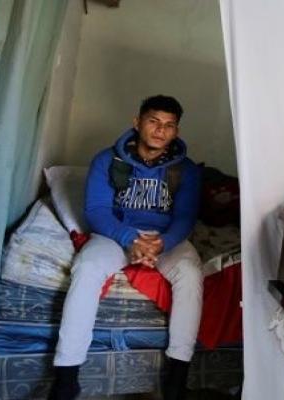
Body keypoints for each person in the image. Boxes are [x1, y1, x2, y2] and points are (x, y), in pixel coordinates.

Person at [49, 95, 203, 400]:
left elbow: (186, 216)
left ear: (176, 132)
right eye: (153, 121)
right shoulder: (107, 160)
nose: (161, 131)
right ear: (137, 122)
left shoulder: (186, 170)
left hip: (164, 238)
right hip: (116, 235)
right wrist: (129, 239)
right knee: (88, 267)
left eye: (169, 125)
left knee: (190, 272)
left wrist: (163, 243)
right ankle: (67, 376)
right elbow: (96, 210)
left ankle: (177, 376)